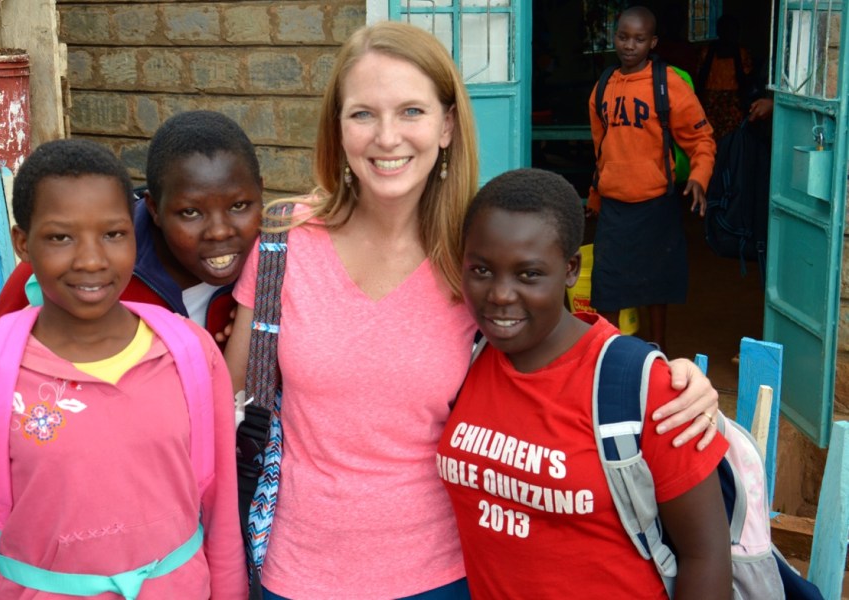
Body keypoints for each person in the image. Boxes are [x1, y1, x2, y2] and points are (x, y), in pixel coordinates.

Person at [225, 20, 722, 600]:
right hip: (294, 572)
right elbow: (224, 396)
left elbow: (567, 354)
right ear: (337, 128)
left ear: (446, 126)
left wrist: (665, 378)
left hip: (445, 574)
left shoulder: (479, 259)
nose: (387, 136)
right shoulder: (285, 244)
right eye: (362, 114)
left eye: (411, 111)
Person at [0, 139, 245, 599]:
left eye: (113, 234)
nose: (91, 260)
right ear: (22, 243)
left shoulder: (188, 353)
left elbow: (222, 523)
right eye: (61, 237)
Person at [443, 167, 731, 598]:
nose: (500, 294)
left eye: (528, 274)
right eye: (481, 270)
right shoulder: (462, 361)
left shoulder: (643, 388)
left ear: (571, 269)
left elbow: (706, 555)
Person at [0, 110, 264, 347]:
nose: (219, 232)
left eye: (239, 206)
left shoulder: (274, 266)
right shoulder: (73, 265)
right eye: (190, 212)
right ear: (154, 209)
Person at [587, 6, 716, 351]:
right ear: (614, 37)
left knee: (656, 286)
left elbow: (702, 139)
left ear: (652, 42)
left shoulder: (667, 83)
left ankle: (657, 350)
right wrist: (595, 194)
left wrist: (700, 177)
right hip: (614, 207)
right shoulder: (603, 86)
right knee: (607, 286)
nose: (629, 45)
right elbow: (601, 150)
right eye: (623, 37)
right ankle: (609, 352)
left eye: (639, 39)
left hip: (656, 203)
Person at [696, 14, 754, 139]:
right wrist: (711, 52)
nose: (728, 35)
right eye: (725, 30)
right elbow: (700, 80)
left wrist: (736, 54)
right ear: (719, 31)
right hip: (711, 101)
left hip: (734, 102)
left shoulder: (742, 53)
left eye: (732, 31)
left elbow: (744, 83)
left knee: (732, 139)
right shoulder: (707, 51)